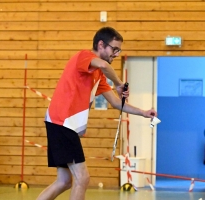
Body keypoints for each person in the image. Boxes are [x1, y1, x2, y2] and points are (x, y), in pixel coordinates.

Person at [36, 27, 157, 200]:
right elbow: (103, 64)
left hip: (60, 124)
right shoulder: (84, 56)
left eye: (118, 50)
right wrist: (119, 83)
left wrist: (144, 112)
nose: (116, 54)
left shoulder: (98, 75)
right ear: (101, 45)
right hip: (62, 122)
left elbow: (116, 102)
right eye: (114, 49)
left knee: (64, 181)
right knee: (82, 178)